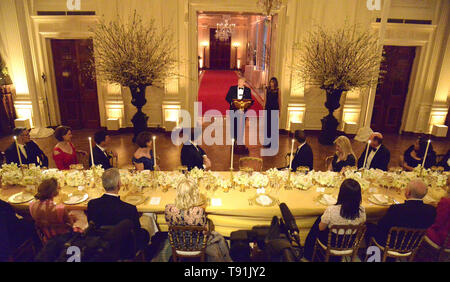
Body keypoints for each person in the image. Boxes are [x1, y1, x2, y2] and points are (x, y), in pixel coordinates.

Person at [165, 179, 231, 262]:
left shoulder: (168, 209)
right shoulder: (198, 211)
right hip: (197, 245)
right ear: (194, 194)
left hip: (178, 244)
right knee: (218, 237)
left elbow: (169, 224)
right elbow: (205, 230)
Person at [87, 168, 150, 252]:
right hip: (125, 249)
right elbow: (137, 232)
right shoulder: (129, 209)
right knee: (147, 222)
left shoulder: (92, 204)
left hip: (102, 245)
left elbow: (92, 226)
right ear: (119, 184)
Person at [304, 178, 366, 261]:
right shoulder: (362, 211)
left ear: (342, 194)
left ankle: (308, 253)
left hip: (331, 243)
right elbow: (362, 223)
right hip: (349, 243)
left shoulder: (332, 210)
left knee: (318, 223)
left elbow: (321, 228)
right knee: (321, 219)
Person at [366, 179, 436, 246]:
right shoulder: (431, 210)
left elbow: (382, 225)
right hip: (412, 243)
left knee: (368, 225)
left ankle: (371, 255)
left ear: (408, 192)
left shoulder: (397, 209)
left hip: (389, 243)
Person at [29, 178, 77, 243]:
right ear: (54, 193)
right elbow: (71, 224)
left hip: (46, 238)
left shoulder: (31, 206)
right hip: (64, 239)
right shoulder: (60, 209)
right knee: (80, 215)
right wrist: (72, 217)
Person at [414, 197, 449, 261]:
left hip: (439, 240)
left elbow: (437, 224)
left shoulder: (447, 202)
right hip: (447, 244)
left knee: (418, 223)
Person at [225, 77, 254, 153]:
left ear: (244, 83)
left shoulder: (248, 90)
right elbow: (227, 97)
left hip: (242, 111)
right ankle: (234, 141)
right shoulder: (232, 88)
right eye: (238, 81)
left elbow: (250, 100)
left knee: (241, 126)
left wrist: (245, 106)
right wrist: (233, 103)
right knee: (233, 126)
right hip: (233, 110)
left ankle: (240, 141)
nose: (239, 83)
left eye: (241, 82)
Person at [263, 77, 280, 148]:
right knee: (268, 126)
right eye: (271, 82)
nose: (271, 83)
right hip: (268, 108)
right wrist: (264, 108)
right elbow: (265, 100)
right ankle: (267, 142)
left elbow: (279, 101)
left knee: (274, 126)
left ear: (275, 83)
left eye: (273, 82)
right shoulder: (267, 89)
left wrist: (280, 110)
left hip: (275, 108)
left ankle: (273, 142)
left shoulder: (278, 90)